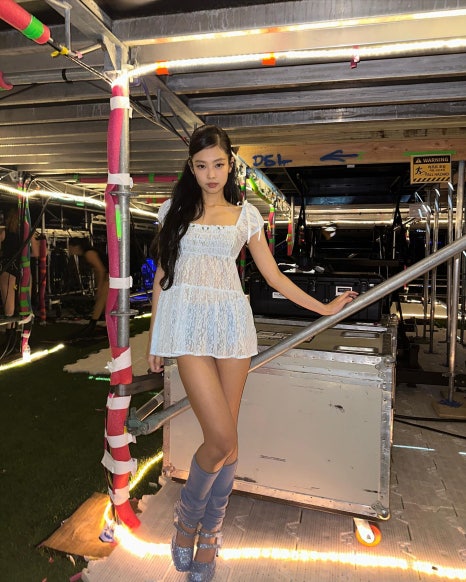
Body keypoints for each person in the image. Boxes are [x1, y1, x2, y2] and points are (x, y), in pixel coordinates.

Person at [147, 125, 357, 582]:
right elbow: (162, 275)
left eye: (218, 164)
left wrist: (323, 307)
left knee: (231, 440)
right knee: (219, 439)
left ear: (231, 165)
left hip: (230, 325)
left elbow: (274, 277)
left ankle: (210, 534)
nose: (211, 174)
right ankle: (186, 522)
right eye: (201, 166)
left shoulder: (246, 215)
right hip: (187, 327)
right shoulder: (173, 212)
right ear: (191, 168)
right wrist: (154, 339)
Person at [68, 237, 109, 336]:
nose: (69, 250)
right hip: (108, 275)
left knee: (101, 299)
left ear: (76, 247)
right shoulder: (88, 253)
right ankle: (106, 324)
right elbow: (98, 271)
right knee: (104, 301)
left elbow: (101, 270)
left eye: (70, 247)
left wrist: (99, 287)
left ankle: (93, 324)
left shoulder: (89, 253)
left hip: (109, 275)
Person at [0, 208, 21, 330]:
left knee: (9, 307)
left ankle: (10, 333)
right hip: (21, 268)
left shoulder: (4, 232)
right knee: (20, 305)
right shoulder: (25, 233)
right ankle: (18, 333)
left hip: (7, 268)